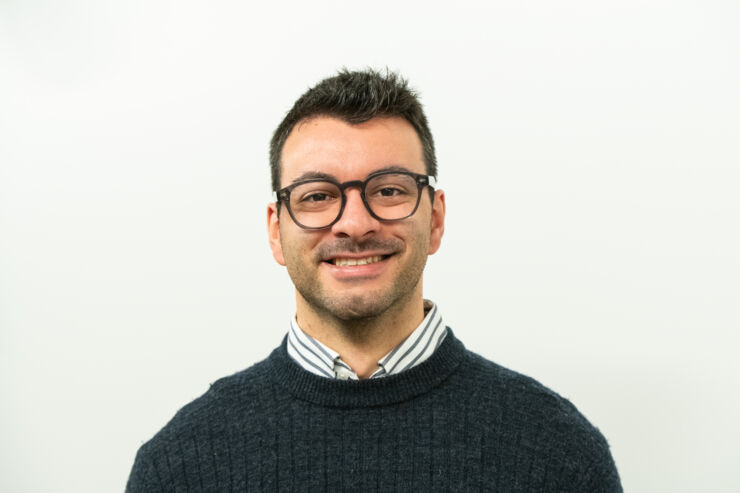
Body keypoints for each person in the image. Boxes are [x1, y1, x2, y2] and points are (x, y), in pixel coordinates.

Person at [126, 69, 622, 492]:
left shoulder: (557, 454)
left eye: (387, 190)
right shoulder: (180, 466)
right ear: (277, 232)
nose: (355, 224)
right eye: (317, 196)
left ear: (436, 219)